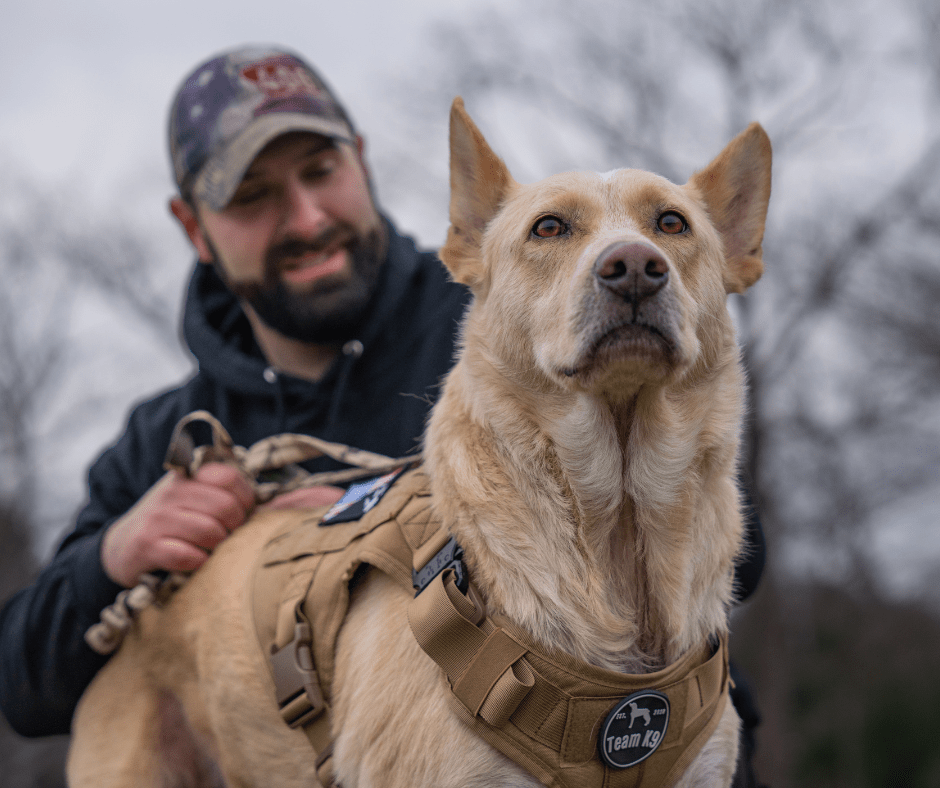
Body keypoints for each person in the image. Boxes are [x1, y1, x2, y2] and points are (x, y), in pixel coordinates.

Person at [0, 45, 766, 785]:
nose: (305, 216)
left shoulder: (488, 323)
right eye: (253, 196)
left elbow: (743, 552)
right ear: (194, 226)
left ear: (361, 161)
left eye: (320, 171)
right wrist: (113, 559)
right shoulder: (165, 439)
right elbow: (22, 686)